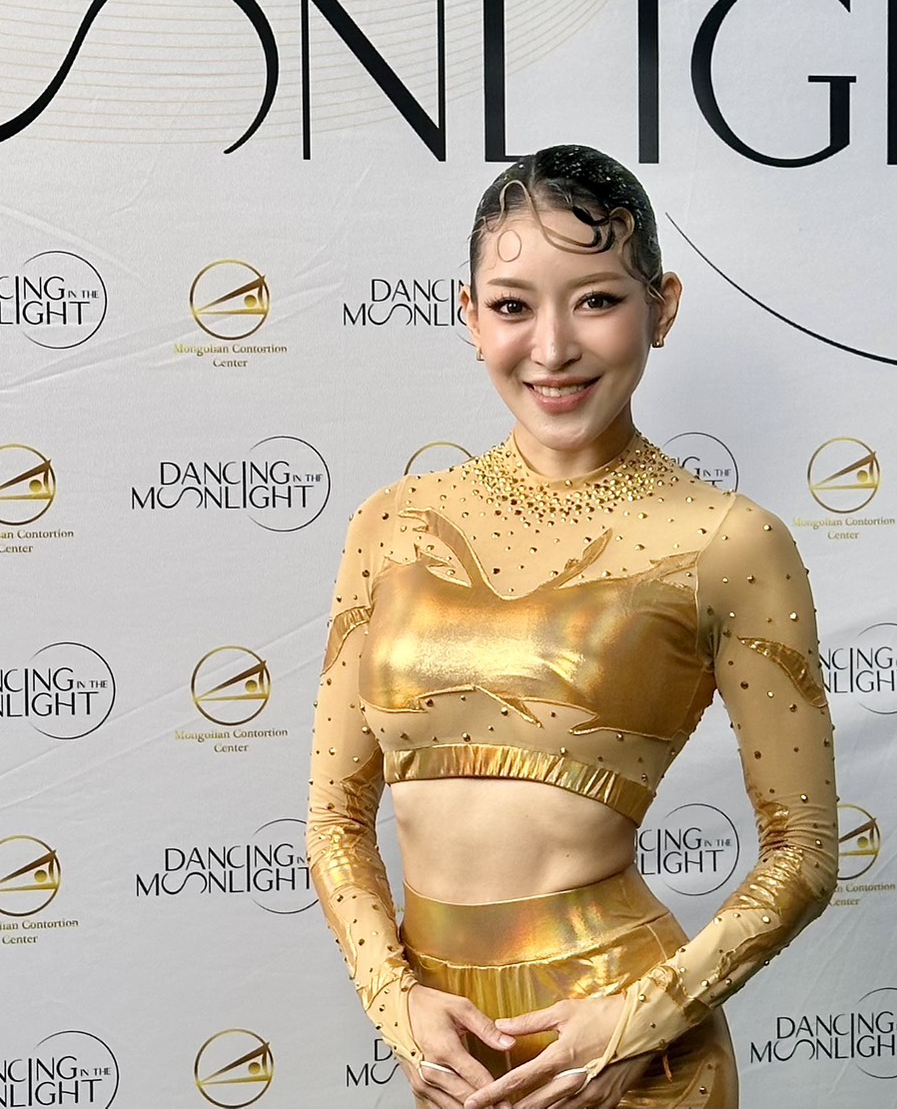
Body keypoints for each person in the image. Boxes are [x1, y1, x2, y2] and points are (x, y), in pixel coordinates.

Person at [307, 145, 838, 1109]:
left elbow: (803, 851)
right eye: (512, 305)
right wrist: (397, 1005)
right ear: (470, 317)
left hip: (633, 1060)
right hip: (451, 1064)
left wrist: (643, 1018)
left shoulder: (727, 541)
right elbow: (336, 821)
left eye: (595, 300)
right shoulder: (390, 523)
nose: (551, 347)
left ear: (661, 308)